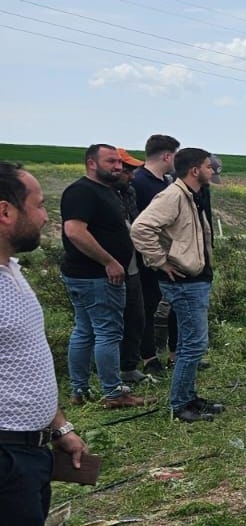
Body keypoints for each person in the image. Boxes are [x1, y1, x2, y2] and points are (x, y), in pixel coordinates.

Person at [1, 161, 89, 526]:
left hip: (29, 449)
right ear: (4, 211)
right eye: (37, 204)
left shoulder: (10, 271)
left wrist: (60, 427)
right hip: (4, 456)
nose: (45, 215)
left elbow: (23, 365)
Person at [131, 148, 224, 424]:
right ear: (195, 170)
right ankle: (180, 404)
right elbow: (140, 228)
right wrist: (160, 261)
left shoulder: (189, 196)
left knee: (189, 344)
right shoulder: (173, 196)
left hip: (195, 279)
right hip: (185, 282)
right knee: (194, 345)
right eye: (209, 167)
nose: (212, 171)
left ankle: (189, 397)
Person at [59, 144, 145, 409]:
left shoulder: (104, 191)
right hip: (96, 276)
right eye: (111, 161)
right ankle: (113, 393)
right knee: (108, 332)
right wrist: (109, 261)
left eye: (119, 162)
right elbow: (74, 231)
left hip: (87, 275)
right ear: (91, 163)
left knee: (84, 331)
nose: (118, 166)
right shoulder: (82, 191)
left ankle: (79, 390)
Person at [131, 134, 178, 373]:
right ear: (167, 156)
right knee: (148, 308)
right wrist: (155, 256)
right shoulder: (138, 182)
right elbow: (137, 225)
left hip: (170, 256)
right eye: (174, 156)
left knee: (175, 305)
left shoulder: (167, 183)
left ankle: (174, 354)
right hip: (147, 259)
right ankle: (149, 358)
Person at [112, 149, 151, 387]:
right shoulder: (97, 194)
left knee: (136, 316)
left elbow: (136, 224)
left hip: (133, 264)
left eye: (131, 170)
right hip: (110, 269)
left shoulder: (129, 192)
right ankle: (105, 379)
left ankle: (128, 367)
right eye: (127, 170)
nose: (131, 175)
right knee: (111, 324)